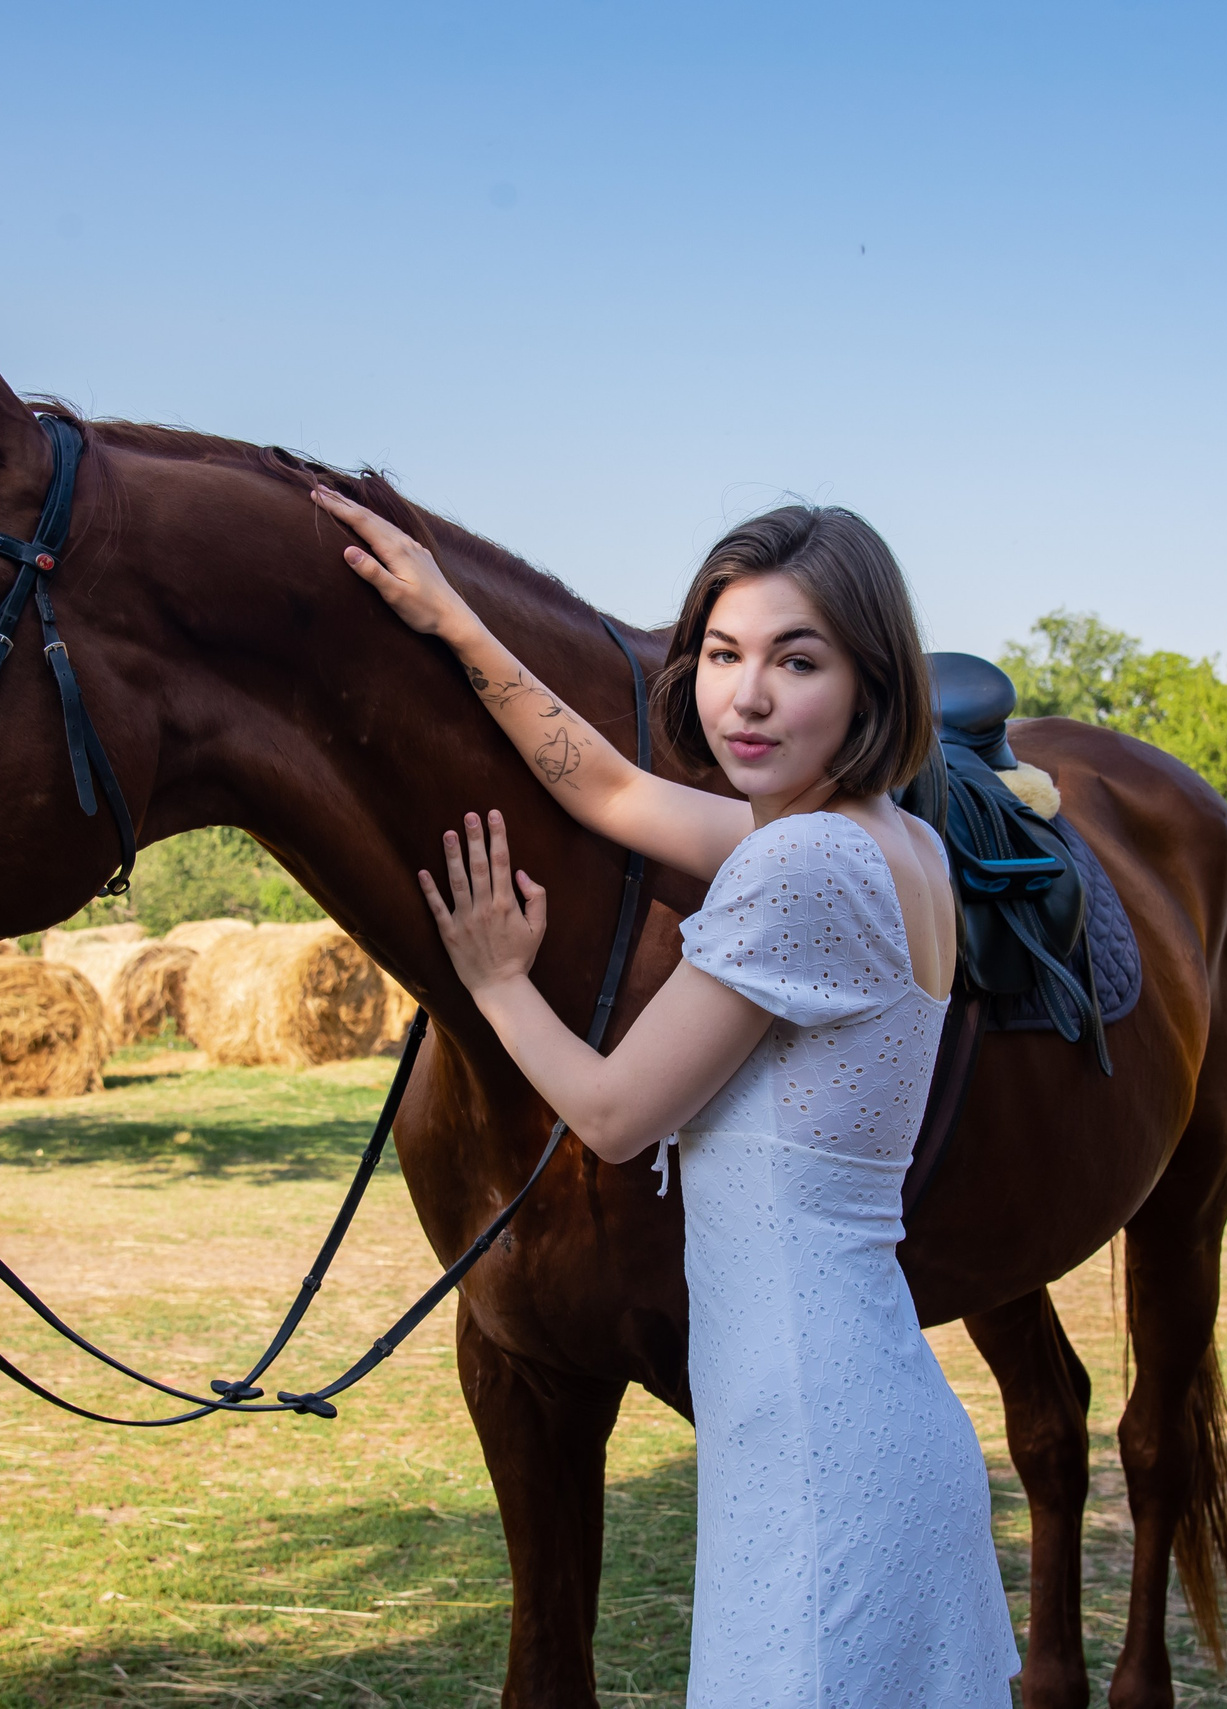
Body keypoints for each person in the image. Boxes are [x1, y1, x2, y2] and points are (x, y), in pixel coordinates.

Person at [313, 486, 1021, 1707]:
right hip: (859, 1414)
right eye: (723, 654)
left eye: (795, 661)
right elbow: (607, 789)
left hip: (814, 1445)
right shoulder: (891, 839)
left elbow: (610, 1112)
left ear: (871, 681)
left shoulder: (799, 862)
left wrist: (494, 980)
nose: (743, 696)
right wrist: (459, 620)